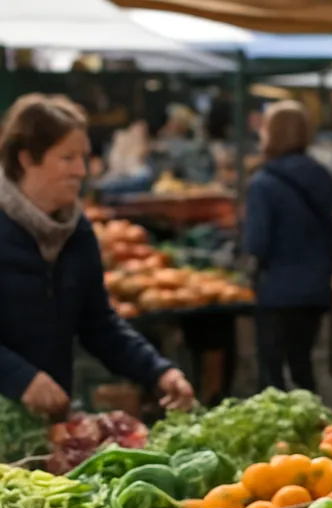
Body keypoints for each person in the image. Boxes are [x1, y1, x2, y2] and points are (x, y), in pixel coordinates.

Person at [0, 94, 192, 417]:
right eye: (67, 157)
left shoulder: (77, 232)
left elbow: (98, 324)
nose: (81, 170)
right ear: (26, 159)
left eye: (83, 157)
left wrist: (158, 371)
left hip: (46, 422)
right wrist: (21, 379)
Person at [244, 100, 332, 393]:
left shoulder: (264, 183)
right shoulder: (322, 174)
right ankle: (314, 429)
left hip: (277, 290)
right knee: (302, 363)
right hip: (316, 286)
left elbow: (257, 242)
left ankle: (281, 435)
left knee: (272, 374)